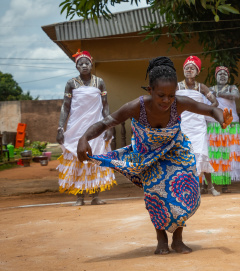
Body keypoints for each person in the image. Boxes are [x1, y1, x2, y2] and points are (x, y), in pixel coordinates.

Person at [76, 56, 232, 255]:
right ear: (150, 91)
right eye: (161, 95)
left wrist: (221, 118)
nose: (167, 100)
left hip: (176, 151)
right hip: (148, 155)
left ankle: (177, 239)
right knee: (156, 193)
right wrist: (84, 138)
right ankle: (161, 241)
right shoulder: (137, 106)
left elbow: (210, 109)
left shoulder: (180, 103)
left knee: (182, 192)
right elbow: (106, 122)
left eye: (171, 95)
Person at [56, 49, 115, 206]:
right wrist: (60, 128)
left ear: (91, 64)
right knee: (78, 160)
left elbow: (105, 106)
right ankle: (79, 198)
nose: (84, 65)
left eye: (86, 63)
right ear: (76, 66)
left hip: (96, 126)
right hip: (76, 127)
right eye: (80, 63)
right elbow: (65, 106)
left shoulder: (100, 82)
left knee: (95, 158)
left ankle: (95, 196)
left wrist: (108, 126)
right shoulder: (71, 83)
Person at [175, 56, 218, 193]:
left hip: (199, 126)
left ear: (197, 71)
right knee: (186, 155)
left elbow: (215, 102)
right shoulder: (177, 87)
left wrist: (206, 110)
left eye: (192, 68)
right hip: (184, 126)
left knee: (202, 153)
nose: (189, 70)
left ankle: (210, 186)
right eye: (187, 67)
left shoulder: (202, 87)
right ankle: (190, 188)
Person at [204, 66, 240, 194]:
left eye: (225, 74)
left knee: (227, 155)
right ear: (215, 76)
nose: (222, 76)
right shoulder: (210, 89)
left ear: (228, 77)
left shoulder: (232, 88)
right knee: (213, 154)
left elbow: (235, 96)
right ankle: (209, 184)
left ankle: (225, 185)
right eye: (219, 74)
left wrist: (218, 94)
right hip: (214, 124)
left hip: (230, 124)